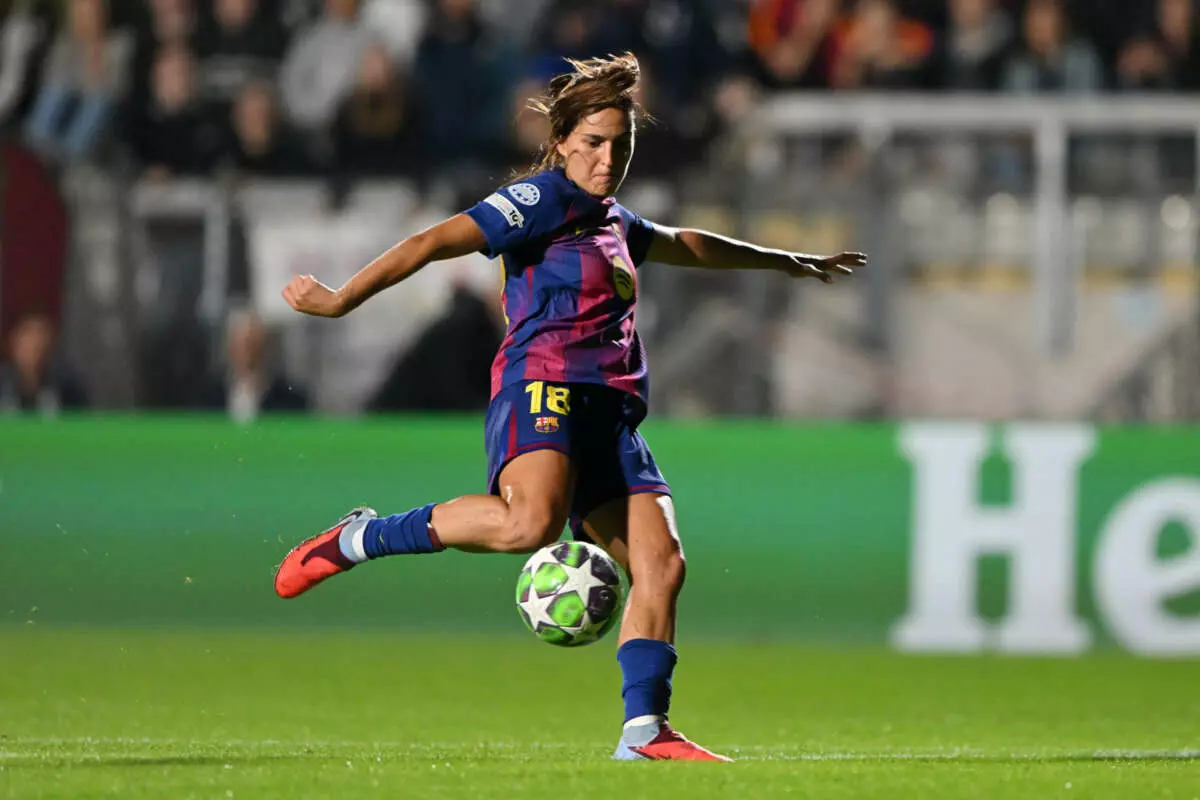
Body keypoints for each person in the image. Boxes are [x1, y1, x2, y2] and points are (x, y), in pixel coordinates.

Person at [272, 53, 865, 762]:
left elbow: (690, 245)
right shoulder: (540, 201)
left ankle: (644, 733)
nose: (607, 157)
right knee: (529, 525)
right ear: (559, 143)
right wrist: (341, 299)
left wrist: (791, 261)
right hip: (543, 386)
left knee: (662, 563)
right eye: (593, 142)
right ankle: (359, 538)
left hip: (611, 414)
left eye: (621, 144)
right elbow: (434, 241)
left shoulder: (614, 221)